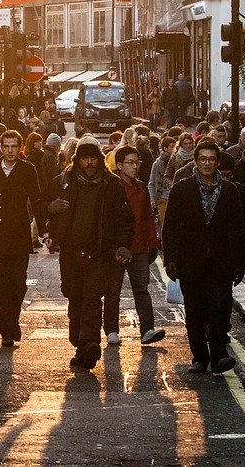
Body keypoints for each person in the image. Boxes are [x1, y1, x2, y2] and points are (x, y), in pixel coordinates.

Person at [44, 137, 134, 370]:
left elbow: (125, 219)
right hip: (71, 252)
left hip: (99, 253)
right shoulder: (63, 182)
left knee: (93, 299)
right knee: (75, 297)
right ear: (77, 160)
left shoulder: (112, 185)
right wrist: (49, 208)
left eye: (94, 158)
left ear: (100, 160)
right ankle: (79, 344)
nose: (90, 162)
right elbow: (40, 202)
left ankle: (90, 342)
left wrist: (123, 245)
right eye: (85, 158)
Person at [162, 138, 245, 374]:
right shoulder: (182, 188)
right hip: (191, 261)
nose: (207, 163)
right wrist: (170, 258)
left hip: (221, 262)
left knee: (219, 308)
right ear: (195, 162)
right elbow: (170, 226)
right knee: (195, 311)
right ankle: (200, 357)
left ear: (218, 162)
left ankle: (219, 356)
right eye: (202, 159)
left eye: (211, 159)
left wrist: (239, 263)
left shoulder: (230, 191)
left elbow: (237, 229)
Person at [0, 129, 47, 348]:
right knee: (0, 285)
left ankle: (13, 320)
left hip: (18, 234)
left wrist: (44, 230)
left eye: (13, 146)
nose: (9, 150)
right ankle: (7, 330)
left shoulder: (27, 169)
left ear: (20, 147)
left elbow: (36, 199)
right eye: (5, 146)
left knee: (18, 284)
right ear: (1, 147)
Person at [108, 145, 165, 346]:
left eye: (137, 162)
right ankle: (112, 330)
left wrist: (153, 243)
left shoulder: (141, 188)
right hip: (116, 249)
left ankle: (147, 329)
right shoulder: (112, 187)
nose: (135, 166)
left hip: (139, 247)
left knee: (141, 289)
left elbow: (149, 218)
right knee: (112, 291)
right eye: (130, 163)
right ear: (120, 165)